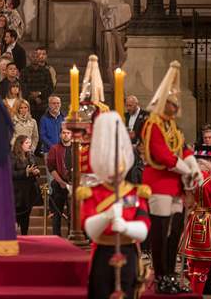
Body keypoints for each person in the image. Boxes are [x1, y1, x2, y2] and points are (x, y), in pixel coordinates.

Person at [141, 61, 202, 285]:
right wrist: (186, 169)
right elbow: (162, 155)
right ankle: (160, 274)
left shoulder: (172, 126)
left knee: (174, 231)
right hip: (158, 183)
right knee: (160, 231)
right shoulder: (153, 124)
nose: (176, 108)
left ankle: (170, 271)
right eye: (172, 104)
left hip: (175, 184)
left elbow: (182, 147)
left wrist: (194, 167)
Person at [79, 111, 150, 299]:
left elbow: (144, 227)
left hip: (128, 251)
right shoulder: (91, 193)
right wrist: (106, 216)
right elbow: (89, 229)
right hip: (102, 252)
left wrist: (126, 226)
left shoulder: (135, 192)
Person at [179, 154, 211, 294]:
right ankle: (197, 293)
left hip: (193, 218)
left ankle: (193, 290)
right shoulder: (210, 181)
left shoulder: (188, 180)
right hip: (207, 223)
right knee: (203, 263)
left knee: (193, 262)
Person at [11, 135, 40, 235]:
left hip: (29, 192)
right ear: (20, 144)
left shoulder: (31, 155)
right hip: (17, 193)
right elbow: (10, 173)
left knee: (26, 217)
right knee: (15, 216)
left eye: (29, 142)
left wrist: (36, 171)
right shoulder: (12, 156)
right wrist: (25, 172)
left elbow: (35, 167)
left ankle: (25, 235)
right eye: (27, 143)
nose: (30, 144)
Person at [47, 128, 72, 236]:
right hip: (59, 184)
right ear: (60, 135)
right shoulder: (54, 148)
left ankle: (72, 236)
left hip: (73, 185)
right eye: (63, 133)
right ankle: (56, 237)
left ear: (71, 135)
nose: (66, 135)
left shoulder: (77, 149)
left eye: (68, 133)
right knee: (57, 213)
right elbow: (51, 168)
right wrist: (61, 182)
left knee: (73, 214)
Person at [20, 50, 53, 122]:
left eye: (37, 57)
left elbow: (50, 87)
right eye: (33, 57)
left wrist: (39, 94)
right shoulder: (24, 71)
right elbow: (22, 86)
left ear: (39, 58)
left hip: (42, 103)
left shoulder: (46, 71)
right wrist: (33, 96)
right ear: (29, 58)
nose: (35, 58)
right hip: (28, 104)